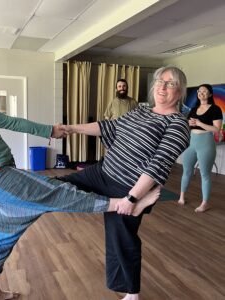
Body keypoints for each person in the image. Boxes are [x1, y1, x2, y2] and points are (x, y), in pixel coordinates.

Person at [0, 51, 160, 300]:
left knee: (1, 235)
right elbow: (7, 121)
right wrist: (50, 130)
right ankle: (123, 204)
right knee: (55, 192)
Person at [61, 66, 190, 300]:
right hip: (102, 171)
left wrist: (132, 198)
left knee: (121, 240)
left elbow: (158, 164)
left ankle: (132, 294)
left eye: (170, 83)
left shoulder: (178, 124)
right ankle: (17, 198)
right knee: (58, 188)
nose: (162, 86)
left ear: (180, 91)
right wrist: (70, 128)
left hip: (127, 187)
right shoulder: (140, 111)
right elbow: (109, 127)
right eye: (160, 81)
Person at [177, 84, 223, 212]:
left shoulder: (215, 109)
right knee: (186, 171)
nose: (201, 93)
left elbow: (216, 129)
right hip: (192, 142)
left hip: (206, 143)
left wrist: (199, 123)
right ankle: (182, 196)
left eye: (204, 91)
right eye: (199, 91)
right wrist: (189, 123)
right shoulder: (193, 109)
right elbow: (188, 125)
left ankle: (205, 203)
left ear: (210, 94)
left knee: (205, 174)